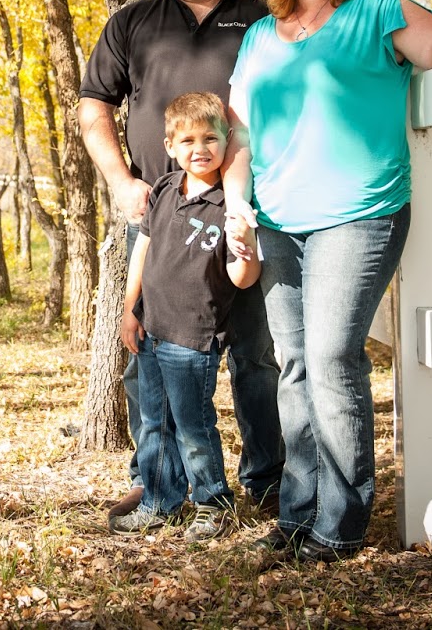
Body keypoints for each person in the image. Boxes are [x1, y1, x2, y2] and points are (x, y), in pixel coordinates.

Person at [222, 0, 432, 563]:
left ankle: (340, 527)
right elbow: (238, 134)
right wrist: (235, 202)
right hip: (279, 222)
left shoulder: (375, 8)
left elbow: (431, 40)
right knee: (292, 366)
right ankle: (298, 511)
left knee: (331, 356)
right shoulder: (259, 37)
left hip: (360, 213)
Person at [79, 0, 285, 522]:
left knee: (256, 355)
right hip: (157, 218)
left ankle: (268, 480)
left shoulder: (264, 20)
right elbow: (93, 107)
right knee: (152, 356)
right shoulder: (134, 22)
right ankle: (159, 481)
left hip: (245, 215)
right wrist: (120, 182)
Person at [110, 93, 261, 540]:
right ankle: (160, 501)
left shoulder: (231, 204)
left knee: (193, 426)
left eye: (210, 138)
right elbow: (144, 248)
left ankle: (214, 504)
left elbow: (243, 279)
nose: (200, 148)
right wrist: (128, 309)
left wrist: (246, 246)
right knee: (154, 421)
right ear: (171, 146)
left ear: (226, 141)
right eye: (188, 139)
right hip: (152, 325)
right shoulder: (163, 190)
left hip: (194, 336)